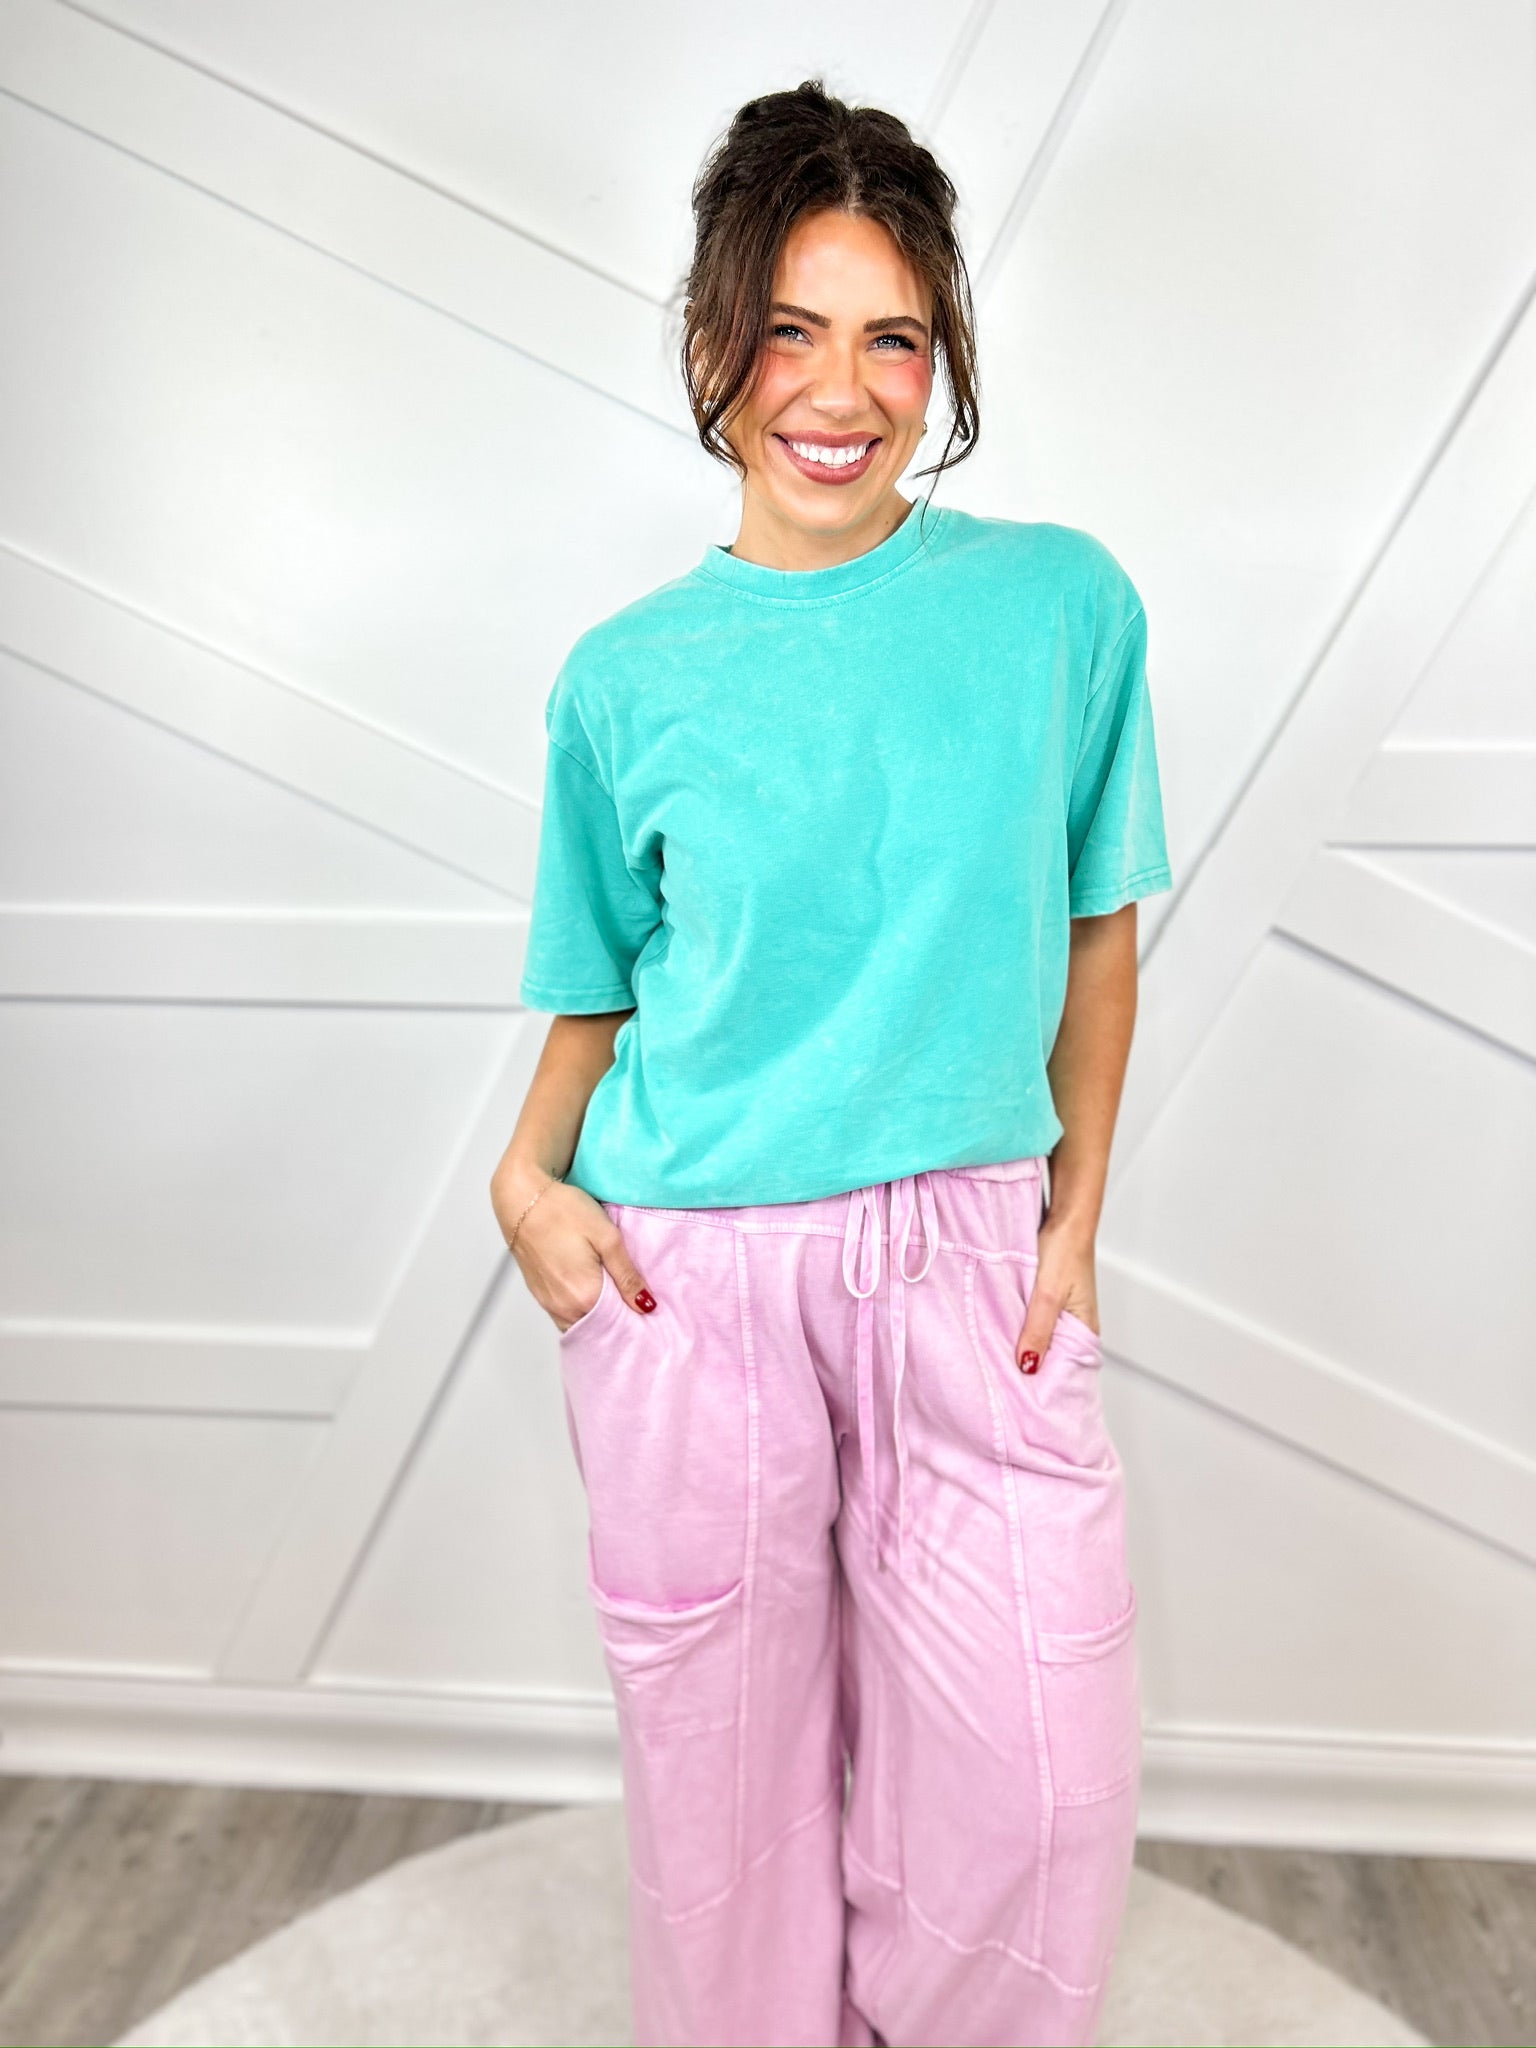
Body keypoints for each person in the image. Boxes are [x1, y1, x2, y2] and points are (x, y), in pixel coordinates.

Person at [490, 76, 1173, 2048]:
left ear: (941, 358)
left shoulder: (1060, 608)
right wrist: (525, 1178)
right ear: (716, 338)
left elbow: (1096, 927)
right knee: (726, 1809)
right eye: (790, 329)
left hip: (972, 1262)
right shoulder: (624, 676)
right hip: (689, 1275)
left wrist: (1076, 1215)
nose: (842, 390)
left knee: (1039, 1792)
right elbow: (604, 985)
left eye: (895, 338)